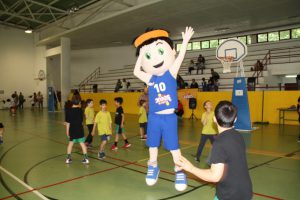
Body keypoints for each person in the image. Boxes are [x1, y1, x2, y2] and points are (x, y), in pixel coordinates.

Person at [133, 27, 194, 191]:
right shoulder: (149, 78)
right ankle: (153, 166)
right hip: (154, 117)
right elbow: (135, 71)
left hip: (169, 117)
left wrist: (186, 42)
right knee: (152, 146)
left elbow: (180, 57)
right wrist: (141, 53)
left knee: (174, 147)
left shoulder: (171, 73)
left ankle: (179, 170)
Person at [176, 101, 253, 200]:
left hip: (230, 195)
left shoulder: (219, 142)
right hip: (245, 191)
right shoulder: (238, 136)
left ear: (214, 119)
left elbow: (214, 176)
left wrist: (190, 168)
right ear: (235, 119)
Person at [64, 94, 89, 164]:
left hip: (72, 131)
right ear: (79, 102)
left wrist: (67, 132)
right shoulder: (80, 110)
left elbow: (68, 123)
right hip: (80, 130)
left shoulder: (68, 110)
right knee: (82, 144)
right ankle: (86, 158)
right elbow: (81, 122)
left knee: (70, 144)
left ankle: (68, 158)